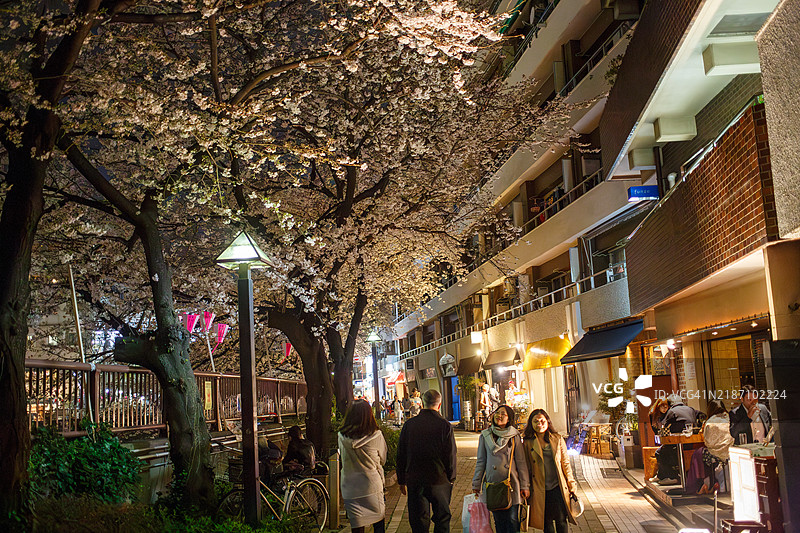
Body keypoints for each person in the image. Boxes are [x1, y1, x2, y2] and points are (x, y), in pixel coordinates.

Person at [396, 389, 457, 533]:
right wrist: (451, 477)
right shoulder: (444, 425)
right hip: (439, 479)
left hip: (415, 479)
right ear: (439, 405)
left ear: (422, 403)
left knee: (419, 520)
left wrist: (401, 479)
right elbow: (450, 455)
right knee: (442, 519)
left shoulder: (410, 425)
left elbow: (401, 453)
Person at [472, 405, 530, 533]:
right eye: (497, 413)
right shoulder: (485, 435)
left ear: (509, 418)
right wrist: (476, 483)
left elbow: (521, 462)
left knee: (513, 520)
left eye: (503, 414)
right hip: (493, 484)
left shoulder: (514, 436)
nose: (499, 416)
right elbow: (481, 461)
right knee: (499, 521)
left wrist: (525, 485)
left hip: (511, 484)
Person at [523, 409, 578, 533]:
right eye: (535, 421)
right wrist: (525, 486)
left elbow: (565, 463)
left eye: (542, 421)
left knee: (561, 520)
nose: (539, 424)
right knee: (546, 522)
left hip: (557, 486)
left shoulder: (557, 439)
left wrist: (571, 483)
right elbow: (525, 467)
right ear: (531, 423)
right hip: (539, 488)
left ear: (548, 421)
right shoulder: (527, 442)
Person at [339, 400, 388, 533]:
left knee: (357, 526)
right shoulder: (376, 435)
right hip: (371, 485)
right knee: (379, 523)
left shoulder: (341, 436)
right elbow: (383, 459)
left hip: (350, 487)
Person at [686, 400, 734, 494]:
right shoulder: (730, 418)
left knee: (698, 454)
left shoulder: (709, 421)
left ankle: (702, 484)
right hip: (731, 452)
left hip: (715, 455)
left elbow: (707, 442)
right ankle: (711, 483)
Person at [653, 396, 698, 483]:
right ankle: (662, 476)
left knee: (659, 452)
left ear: (670, 404)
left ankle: (671, 477)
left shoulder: (672, 411)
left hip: (678, 443)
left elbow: (665, 426)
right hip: (691, 444)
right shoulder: (690, 409)